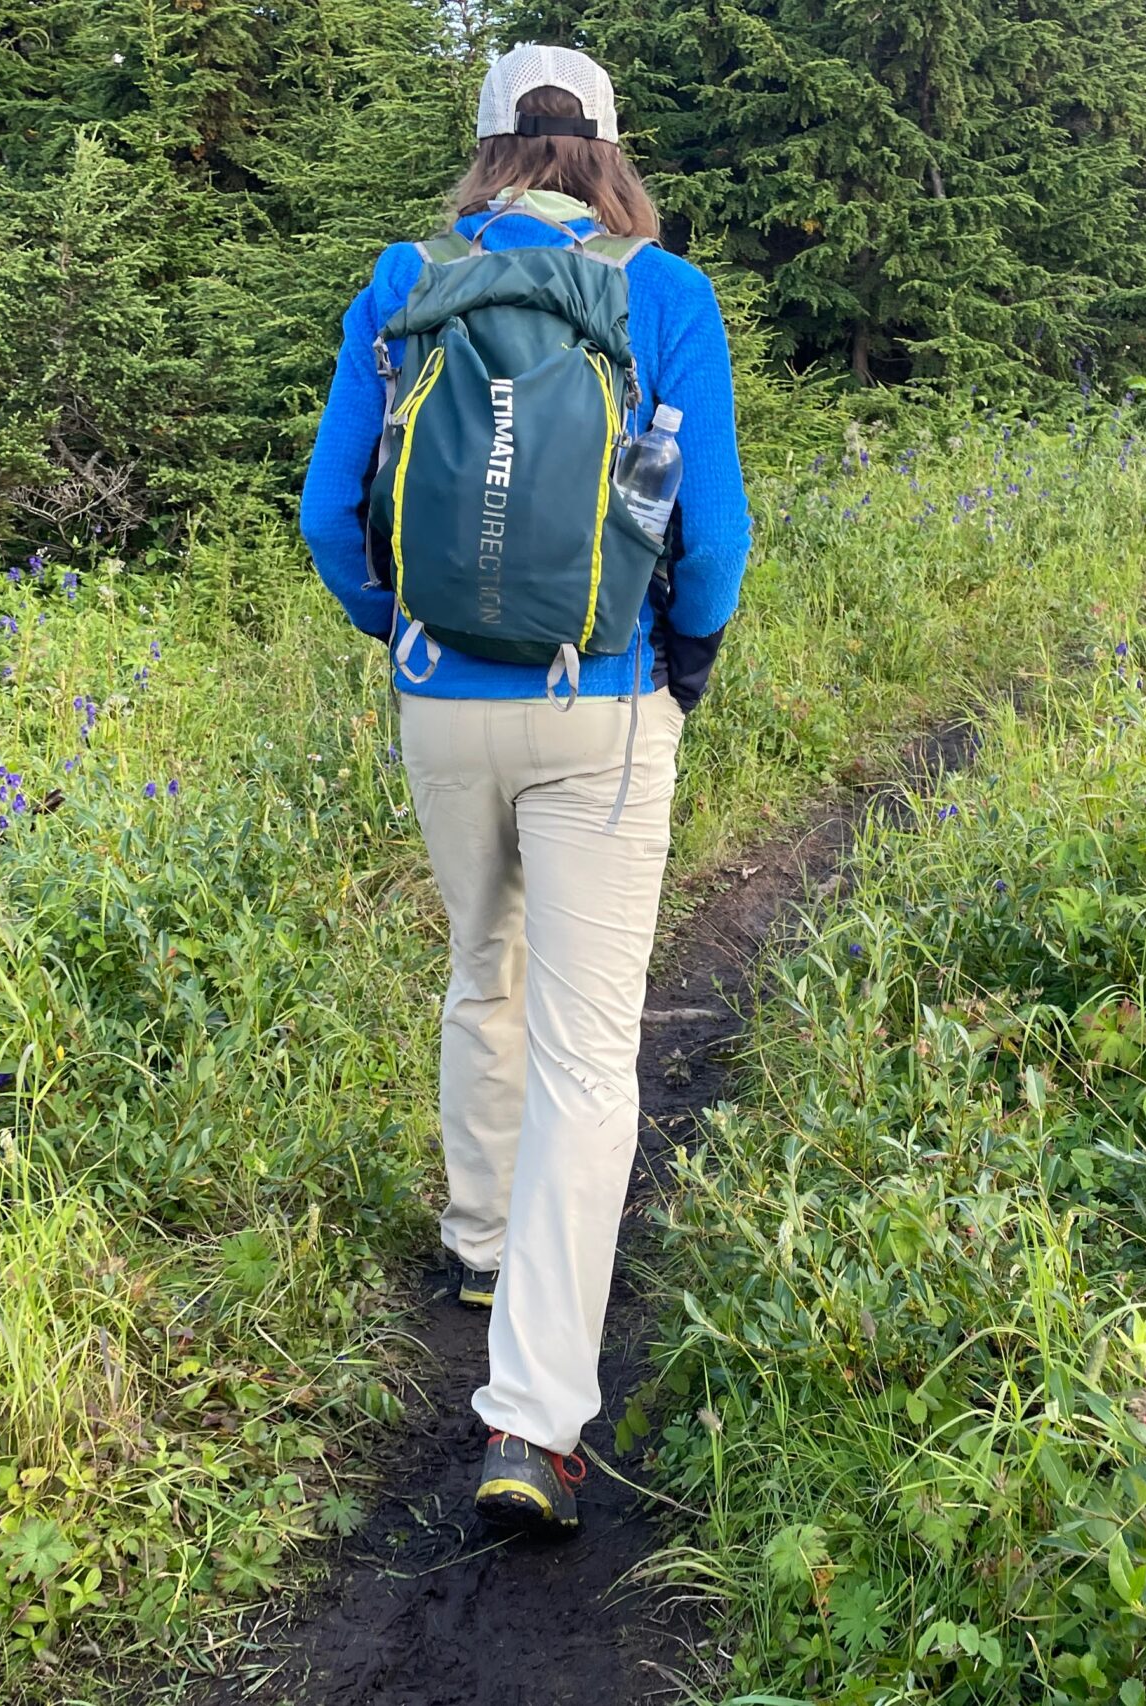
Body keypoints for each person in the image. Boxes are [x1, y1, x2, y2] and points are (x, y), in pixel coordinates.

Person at [298, 42, 750, 1536]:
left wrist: (404, 633)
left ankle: (479, 1236)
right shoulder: (660, 293)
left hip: (442, 704)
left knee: (475, 961)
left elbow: (329, 511)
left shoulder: (404, 281)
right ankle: (534, 1420)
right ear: (607, 150)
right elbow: (720, 531)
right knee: (584, 1049)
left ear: (490, 147)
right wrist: (678, 662)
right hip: (600, 705)